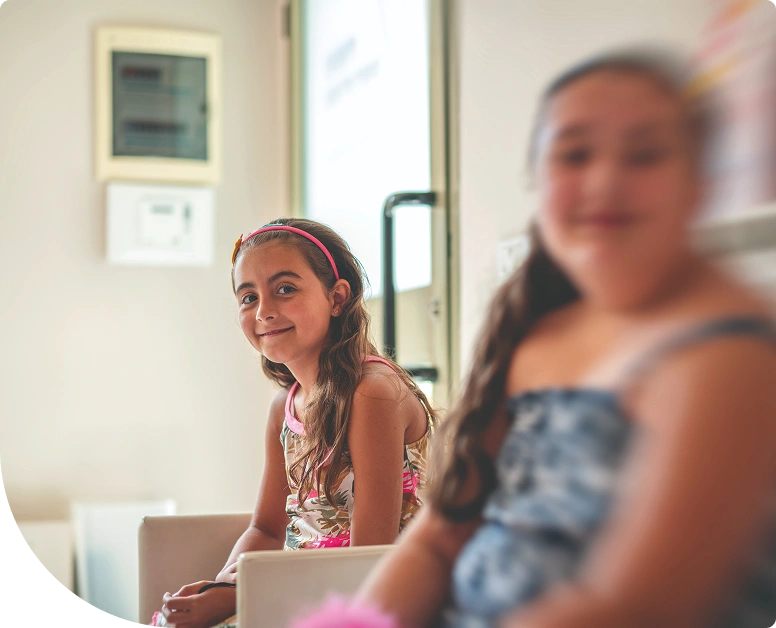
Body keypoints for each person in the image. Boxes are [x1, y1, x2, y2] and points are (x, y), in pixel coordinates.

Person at [292, 46, 776, 627]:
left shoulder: (728, 355)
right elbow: (439, 539)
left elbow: (636, 604)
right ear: (539, 180)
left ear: (699, 181)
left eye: (645, 155)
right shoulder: (537, 328)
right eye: (575, 154)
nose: (605, 180)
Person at [152, 217, 436, 628]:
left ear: (337, 298)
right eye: (248, 297)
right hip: (297, 590)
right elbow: (267, 529)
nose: (264, 311)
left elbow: (368, 561)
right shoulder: (283, 408)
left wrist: (239, 599)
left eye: (285, 289)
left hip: (372, 601)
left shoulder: (372, 393)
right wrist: (221, 588)